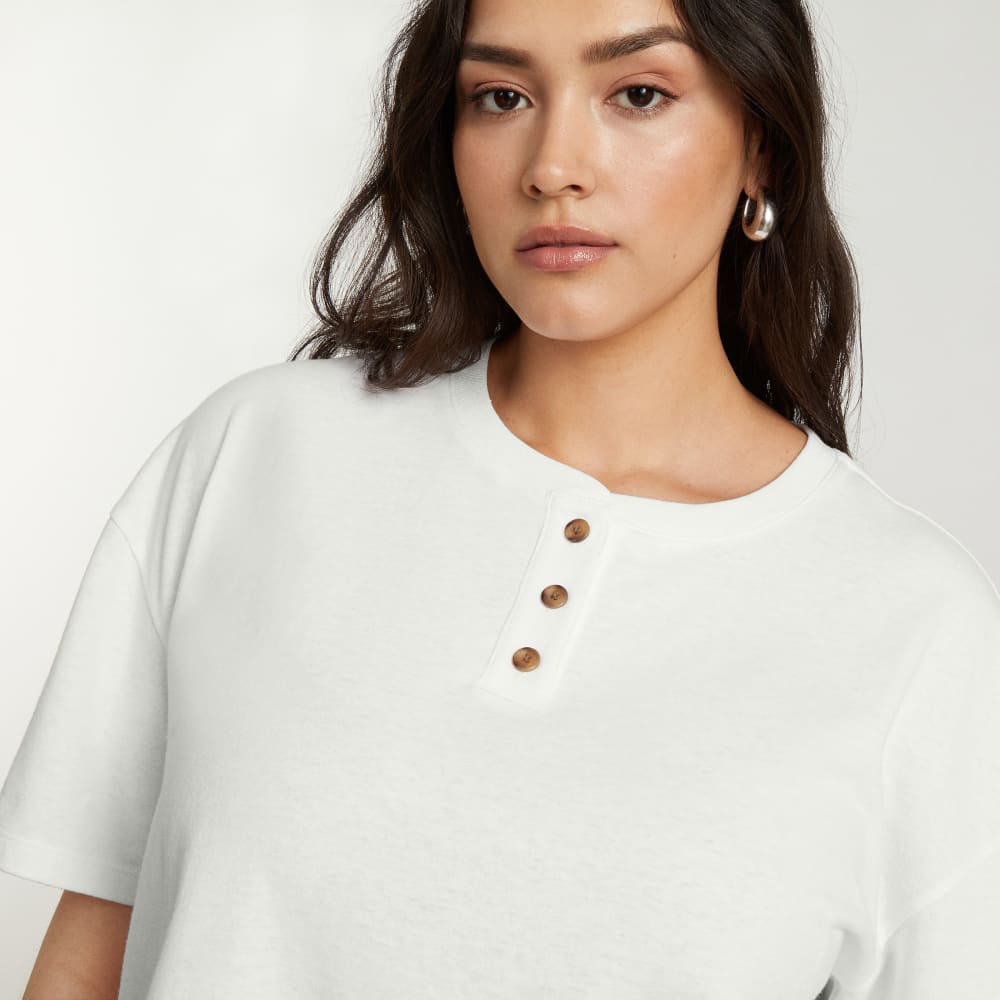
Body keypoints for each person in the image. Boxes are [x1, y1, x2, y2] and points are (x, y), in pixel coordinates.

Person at [1, 0, 998, 997]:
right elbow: (87, 962)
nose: (552, 166)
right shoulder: (257, 455)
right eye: (502, 97)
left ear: (762, 149)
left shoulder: (915, 624)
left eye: (638, 93)